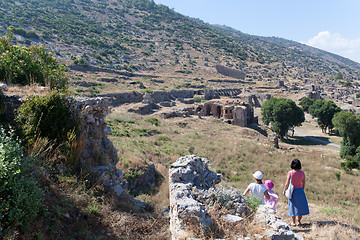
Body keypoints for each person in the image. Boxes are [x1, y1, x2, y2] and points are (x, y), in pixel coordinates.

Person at [283, 159, 309, 226]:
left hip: (292, 191)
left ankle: (293, 222)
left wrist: (284, 190)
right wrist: (302, 189)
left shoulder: (290, 173)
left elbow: (287, 183)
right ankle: (299, 222)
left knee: (292, 206)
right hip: (300, 190)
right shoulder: (302, 173)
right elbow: (303, 182)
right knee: (300, 206)